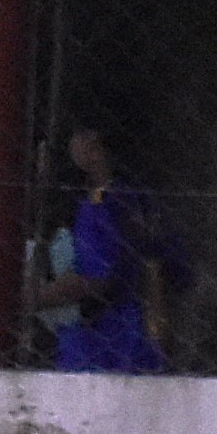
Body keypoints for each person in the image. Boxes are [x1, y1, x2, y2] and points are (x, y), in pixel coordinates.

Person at [37, 125, 179, 373]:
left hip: (105, 345)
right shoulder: (129, 197)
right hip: (124, 339)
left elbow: (95, 281)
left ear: (94, 147)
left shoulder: (103, 205)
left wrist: (29, 299)